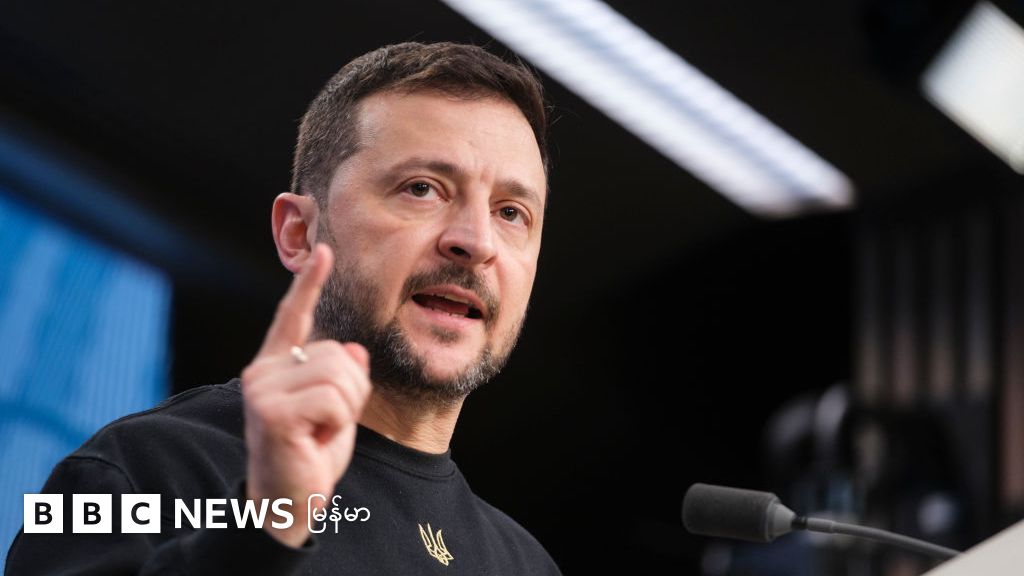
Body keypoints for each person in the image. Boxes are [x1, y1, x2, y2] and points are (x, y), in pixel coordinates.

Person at [5, 41, 561, 575]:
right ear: (299, 233)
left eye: (511, 213)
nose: (477, 241)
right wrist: (264, 528)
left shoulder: (528, 564)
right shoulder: (124, 472)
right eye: (422, 188)